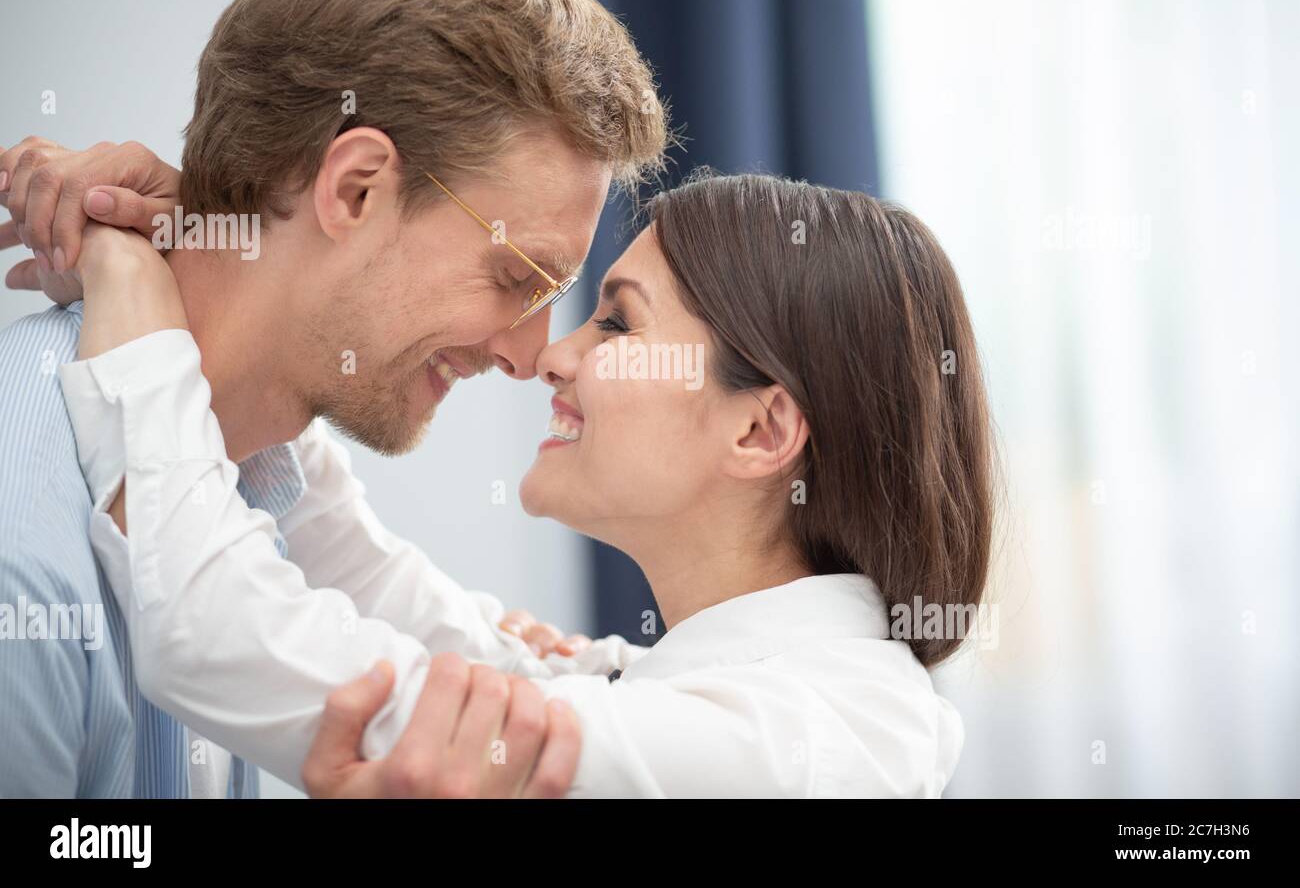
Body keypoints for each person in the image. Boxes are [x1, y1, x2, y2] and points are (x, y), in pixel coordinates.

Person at [48, 171, 995, 797]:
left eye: (617, 326)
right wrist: (247, 287)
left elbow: (213, 632)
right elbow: (375, 585)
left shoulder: (783, 747)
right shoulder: (724, 691)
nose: (552, 356)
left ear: (760, 429)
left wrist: (133, 285)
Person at [0, 0, 668, 797]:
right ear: (354, 188)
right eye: (514, 278)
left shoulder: (257, 481)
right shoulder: (25, 562)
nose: (526, 355)